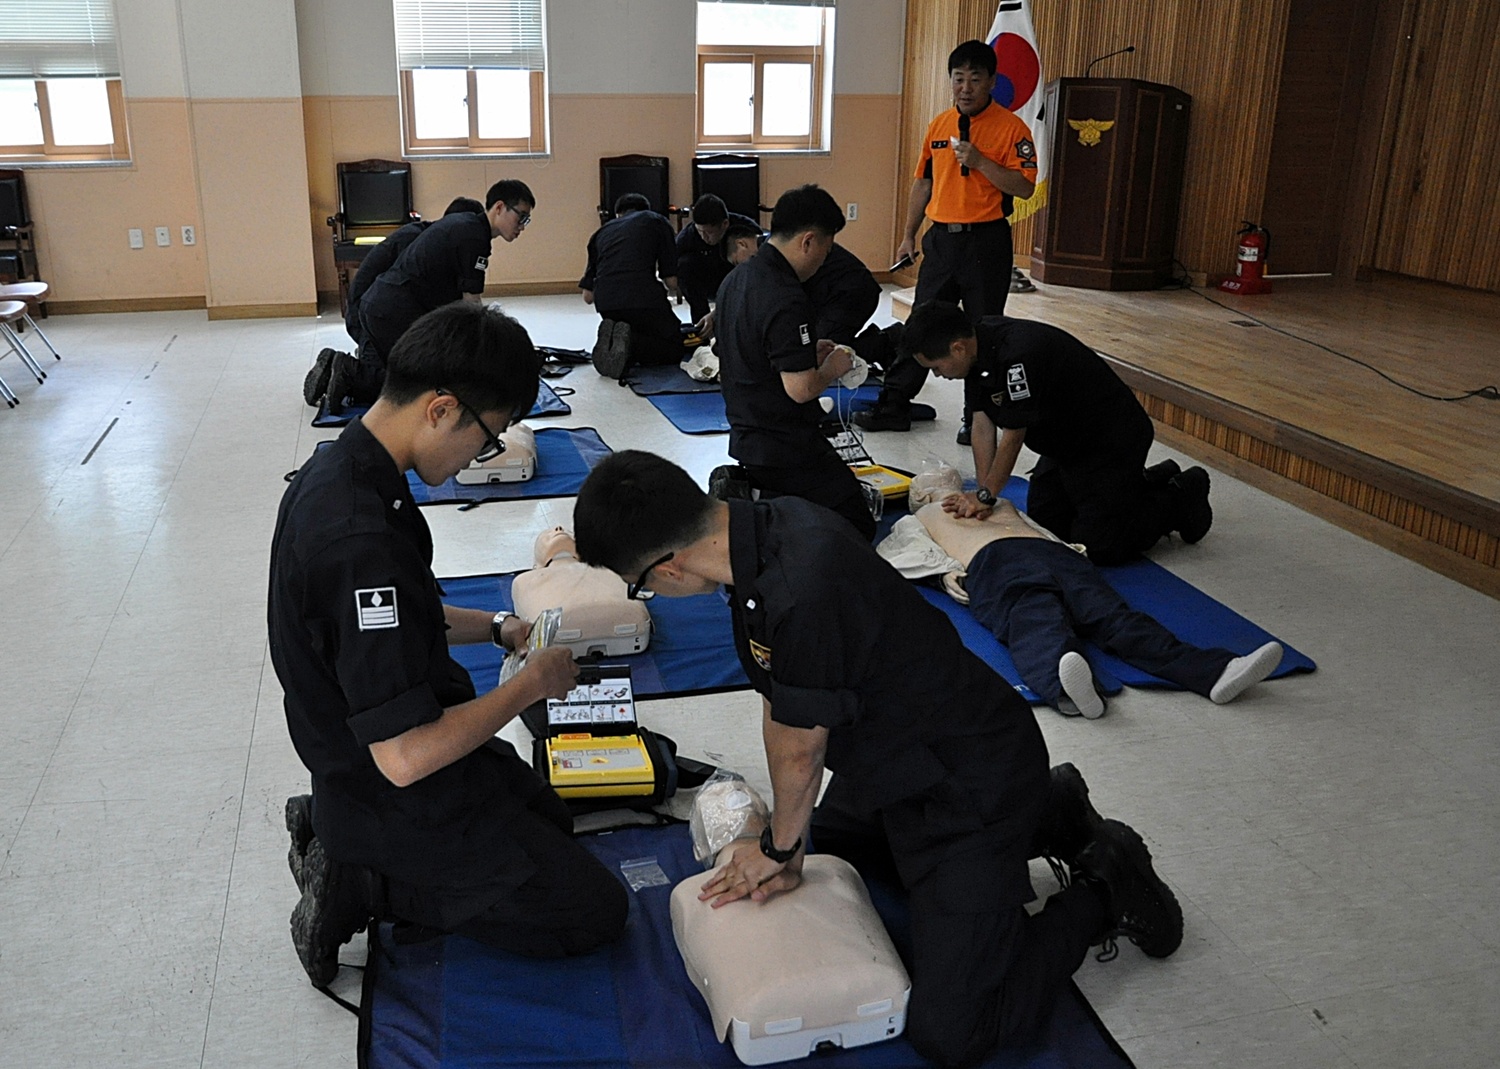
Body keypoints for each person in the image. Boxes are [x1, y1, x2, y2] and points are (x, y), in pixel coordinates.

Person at [571, 450, 1183, 1069]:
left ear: (669, 567)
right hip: (896, 760)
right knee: (837, 849)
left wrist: (778, 849)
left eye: (641, 585)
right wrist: (788, 837)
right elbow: (781, 700)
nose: (651, 594)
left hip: (969, 780)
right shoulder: (758, 536)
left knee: (954, 1033)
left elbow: (802, 747)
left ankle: (1107, 882)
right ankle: (1050, 811)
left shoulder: (799, 585)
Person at [270, 301, 626, 986]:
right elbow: (405, 758)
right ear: (440, 410)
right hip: (386, 780)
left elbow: (402, 616)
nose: (477, 458)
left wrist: (497, 627)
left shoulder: (346, 470)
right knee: (593, 912)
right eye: (486, 439)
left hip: (370, 743)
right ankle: (359, 878)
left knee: (549, 816)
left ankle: (336, 829)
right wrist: (530, 683)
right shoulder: (359, 541)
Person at [900, 497, 1285, 718]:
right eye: (932, 482)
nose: (944, 479)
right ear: (920, 494)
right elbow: (902, 554)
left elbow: (1039, 529)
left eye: (948, 476)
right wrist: (945, 574)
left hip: (1057, 556)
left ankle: (1215, 672)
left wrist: (1070, 551)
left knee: (1114, 617)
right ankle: (1065, 684)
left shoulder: (996, 501)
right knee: (1032, 615)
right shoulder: (919, 517)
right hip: (991, 562)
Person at [902, 300, 1214, 564]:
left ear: (957, 348)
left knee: (1098, 545)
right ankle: (1147, 480)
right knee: (1048, 523)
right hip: (1064, 445)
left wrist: (986, 495)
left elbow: (1013, 435)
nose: (937, 375)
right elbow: (982, 425)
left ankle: (1180, 495)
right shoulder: (974, 352)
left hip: (1109, 441)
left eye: (936, 367)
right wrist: (985, 494)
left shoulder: (1017, 356)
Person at [856, 39, 1038, 443]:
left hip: (986, 242)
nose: (966, 87)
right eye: (959, 79)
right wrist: (908, 234)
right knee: (921, 323)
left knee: (982, 331)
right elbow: (923, 183)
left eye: (975, 78)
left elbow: (1024, 188)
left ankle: (976, 417)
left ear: (992, 81)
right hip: (941, 240)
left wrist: (981, 162)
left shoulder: (1012, 128)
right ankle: (894, 404)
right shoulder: (939, 125)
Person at [714, 184, 874, 540]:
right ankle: (759, 517)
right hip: (783, 444)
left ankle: (761, 503)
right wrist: (833, 366)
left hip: (746, 432)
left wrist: (804, 353)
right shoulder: (785, 295)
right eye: (825, 251)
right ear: (808, 242)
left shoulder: (736, 279)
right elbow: (801, 389)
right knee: (857, 525)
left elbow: (748, 350)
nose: (823, 262)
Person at [325, 180, 535, 412]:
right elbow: (472, 306)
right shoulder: (474, 238)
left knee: (412, 375)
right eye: (521, 217)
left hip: (381, 308)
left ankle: (340, 370)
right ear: (499, 207)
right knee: (422, 390)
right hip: (389, 313)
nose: (522, 226)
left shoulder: (464, 227)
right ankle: (349, 371)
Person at [304, 197, 486, 409]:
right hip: (372, 317)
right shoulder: (425, 245)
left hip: (375, 313)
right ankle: (349, 369)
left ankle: (338, 369)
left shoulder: (427, 238)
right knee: (407, 392)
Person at [580, 192, 683, 379]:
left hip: (606, 304)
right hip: (643, 298)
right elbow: (671, 282)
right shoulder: (656, 221)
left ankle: (614, 341)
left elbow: (588, 297)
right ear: (646, 209)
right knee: (674, 346)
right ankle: (632, 346)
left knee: (631, 328)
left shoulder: (601, 233)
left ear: (618, 214)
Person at [676, 193, 762, 325]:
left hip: (737, 279)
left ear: (725, 224)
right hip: (706, 279)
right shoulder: (687, 237)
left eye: (709, 232)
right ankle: (702, 324)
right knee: (684, 265)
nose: (704, 237)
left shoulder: (745, 228)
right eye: (700, 231)